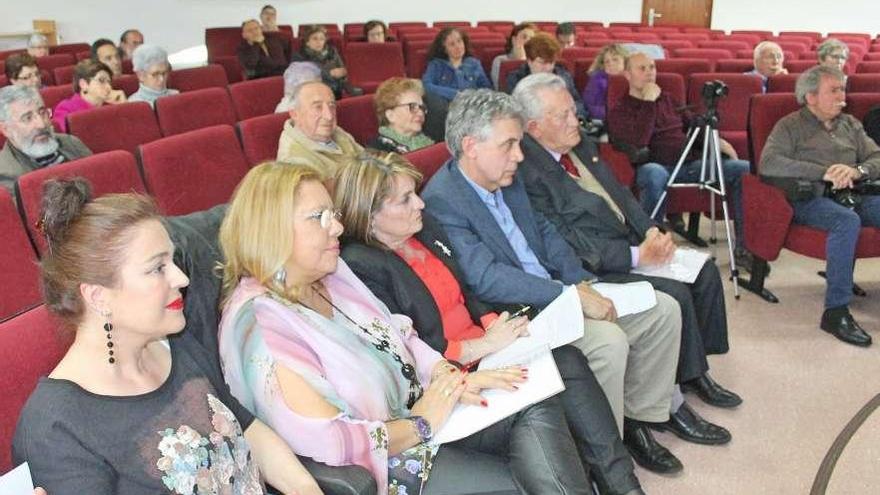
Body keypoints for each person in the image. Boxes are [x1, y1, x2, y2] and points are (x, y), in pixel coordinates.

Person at [217, 161, 594, 495]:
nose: (338, 226)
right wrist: (422, 423)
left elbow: (401, 336)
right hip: (389, 462)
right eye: (319, 217)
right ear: (271, 231)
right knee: (521, 482)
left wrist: (448, 375)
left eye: (333, 213)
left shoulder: (330, 274)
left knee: (533, 398)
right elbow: (329, 440)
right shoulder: (258, 324)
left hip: (427, 414)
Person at [336, 150, 647, 494]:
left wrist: (495, 325)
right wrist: (485, 345)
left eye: (416, 194)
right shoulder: (361, 266)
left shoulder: (423, 231)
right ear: (370, 216)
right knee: (543, 392)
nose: (420, 205)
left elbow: (467, 290)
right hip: (451, 375)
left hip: (486, 347)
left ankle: (622, 484)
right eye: (405, 199)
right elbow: (409, 352)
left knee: (568, 360)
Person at [422, 88, 687, 474]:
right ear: (471, 146)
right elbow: (486, 279)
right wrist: (570, 295)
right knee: (610, 343)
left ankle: (639, 421)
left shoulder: (504, 176)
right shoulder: (444, 201)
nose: (519, 155)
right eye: (509, 144)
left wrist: (581, 283)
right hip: (519, 312)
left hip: (560, 291)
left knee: (663, 311)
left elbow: (545, 232)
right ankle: (605, 457)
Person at [12, 178, 323, 495]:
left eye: (171, 260)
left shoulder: (176, 342)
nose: (181, 277)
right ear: (98, 296)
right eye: (156, 268)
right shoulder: (56, 429)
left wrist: (305, 488)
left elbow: (245, 428)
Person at [513, 74, 741, 419]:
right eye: (563, 116)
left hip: (628, 241)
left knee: (704, 270)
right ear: (533, 127)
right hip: (599, 263)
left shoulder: (577, 144)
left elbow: (620, 194)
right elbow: (569, 242)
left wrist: (651, 231)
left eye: (573, 111)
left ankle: (695, 371)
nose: (576, 120)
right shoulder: (527, 173)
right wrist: (637, 256)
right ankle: (678, 386)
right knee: (674, 294)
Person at [760, 65, 880, 347]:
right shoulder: (790, 125)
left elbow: (877, 158)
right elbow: (769, 163)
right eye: (834, 90)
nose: (843, 96)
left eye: (843, 89)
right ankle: (835, 311)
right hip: (810, 198)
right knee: (846, 221)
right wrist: (824, 171)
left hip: (854, 192)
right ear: (811, 96)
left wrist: (857, 171)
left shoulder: (850, 124)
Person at [608, 52, 755, 268]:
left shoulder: (667, 99)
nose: (650, 73)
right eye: (642, 69)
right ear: (628, 75)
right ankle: (649, 244)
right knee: (653, 174)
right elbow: (639, 143)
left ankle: (745, 247)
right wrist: (649, 104)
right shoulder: (621, 109)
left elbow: (694, 125)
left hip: (690, 163)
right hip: (655, 165)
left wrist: (719, 142)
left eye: (652, 68)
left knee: (743, 168)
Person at [0, 86, 92, 193]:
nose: (41, 124)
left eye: (42, 113)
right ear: (6, 129)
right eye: (27, 118)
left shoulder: (71, 142)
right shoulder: (4, 173)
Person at [276, 80, 363, 179]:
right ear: (295, 114)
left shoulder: (331, 131)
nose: (329, 116)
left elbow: (368, 160)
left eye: (331, 106)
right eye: (318, 107)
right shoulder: (294, 160)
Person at [504, 33, 587, 121]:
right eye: (542, 62)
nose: (548, 68)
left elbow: (578, 104)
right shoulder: (515, 78)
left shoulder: (563, 76)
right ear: (529, 61)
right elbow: (513, 111)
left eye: (551, 62)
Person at [52, 59, 126, 133]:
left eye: (109, 82)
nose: (108, 87)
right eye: (101, 80)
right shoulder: (66, 108)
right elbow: (67, 139)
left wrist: (123, 107)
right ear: (83, 84)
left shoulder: (111, 106)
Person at [422, 27, 491, 101]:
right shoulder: (436, 65)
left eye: (459, 41)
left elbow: (486, 87)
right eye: (452, 44)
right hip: (446, 105)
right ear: (444, 49)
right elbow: (426, 85)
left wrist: (472, 97)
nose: (458, 47)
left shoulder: (474, 63)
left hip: (471, 105)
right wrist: (455, 94)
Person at [369, 77, 435, 153]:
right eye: (412, 106)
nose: (420, 113)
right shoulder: (379, 152)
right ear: (391, 115)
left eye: (422, 107)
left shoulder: (429, 142)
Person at [299, 24, 359, 99]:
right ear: (307, 42)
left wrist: (343, 72)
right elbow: (308, 76)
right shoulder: (300, 56)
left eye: (322, 39)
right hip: (315, 90)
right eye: (315, 39)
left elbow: (342, 69)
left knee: (358, 93)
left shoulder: (332, 51)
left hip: (337, 87)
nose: (319, 42)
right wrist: (330, 73)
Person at [582, 43, 629, 121]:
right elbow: (590, 107)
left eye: (615, 59)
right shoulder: (597, 81)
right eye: (607, 62)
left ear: (625, 61)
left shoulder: (635, 77)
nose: (611, 64)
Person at [489, 22, 536, 89]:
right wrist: (520, 60)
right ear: (514, 40)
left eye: (531, 38)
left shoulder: (537, 61)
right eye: (524, 37)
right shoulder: (500, 60)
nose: (528, 41)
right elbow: (499, 88)